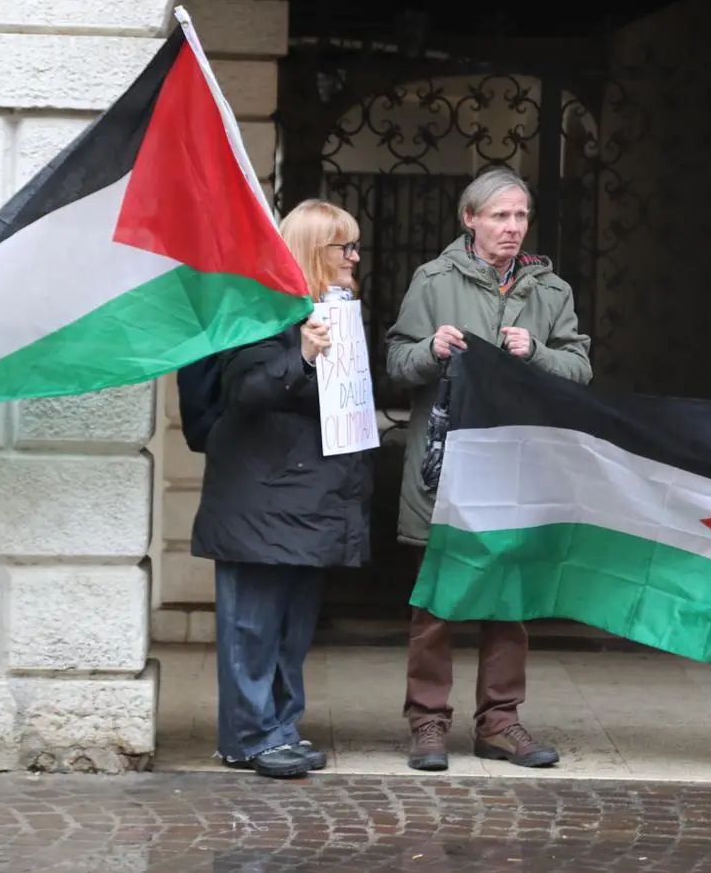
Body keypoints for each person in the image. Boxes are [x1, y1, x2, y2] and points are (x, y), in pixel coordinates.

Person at [385, 166, 592, 772]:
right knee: (436, 603)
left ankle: (500, 723)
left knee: (509, 602)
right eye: (500, 215)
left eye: (520, 215)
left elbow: (581, 370)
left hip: (516, 468)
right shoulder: (433, 280)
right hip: (446, 466)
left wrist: (538, 353)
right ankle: (428, 723)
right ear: (469, 219)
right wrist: (431, 350)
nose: (512, 226)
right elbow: (396, 362)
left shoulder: (551, 290)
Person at [190, 199, 373, 779]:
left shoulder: (331, 309)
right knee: (252, 628)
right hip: (262, 500)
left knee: (291, 632)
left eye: (355, 246)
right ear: (314, 251)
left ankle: (281, 728)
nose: (355, 257)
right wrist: (303, 355)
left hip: (309, 500)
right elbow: (246, 390)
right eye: (345, 247)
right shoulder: (257, 309)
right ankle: (249, 738)